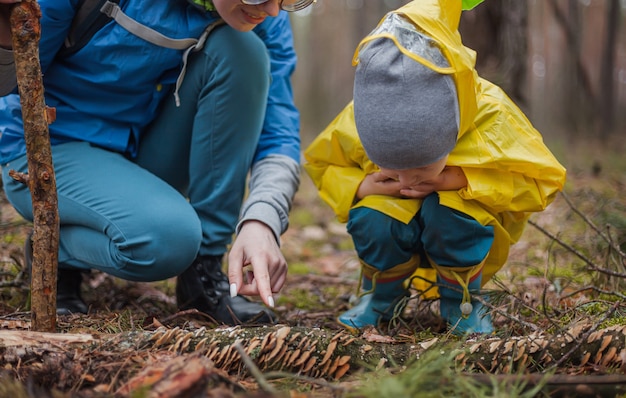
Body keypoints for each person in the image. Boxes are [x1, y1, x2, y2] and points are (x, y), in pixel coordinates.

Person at [0, 0, 313, 324]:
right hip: (50, 150)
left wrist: (262, 220)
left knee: (244, 49)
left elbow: (279, 131)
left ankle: (204, 273)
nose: (273, 10)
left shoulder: (260, 12)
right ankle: (54, 250)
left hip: (139, 147)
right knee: (171, 240)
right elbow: (9, 78)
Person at [304, 0, 567, 335]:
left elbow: (540, 180)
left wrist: (461, 179)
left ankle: (463, 302)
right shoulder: (364, 114)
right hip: (394, 222)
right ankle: (381, 297)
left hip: (459, 229)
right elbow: (324, 164)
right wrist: (362, 187)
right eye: (394, 168)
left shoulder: (490, 114)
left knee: (452, 216)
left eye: (419, 167)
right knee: (373, 218)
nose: (406, 180)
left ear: (452, 129)